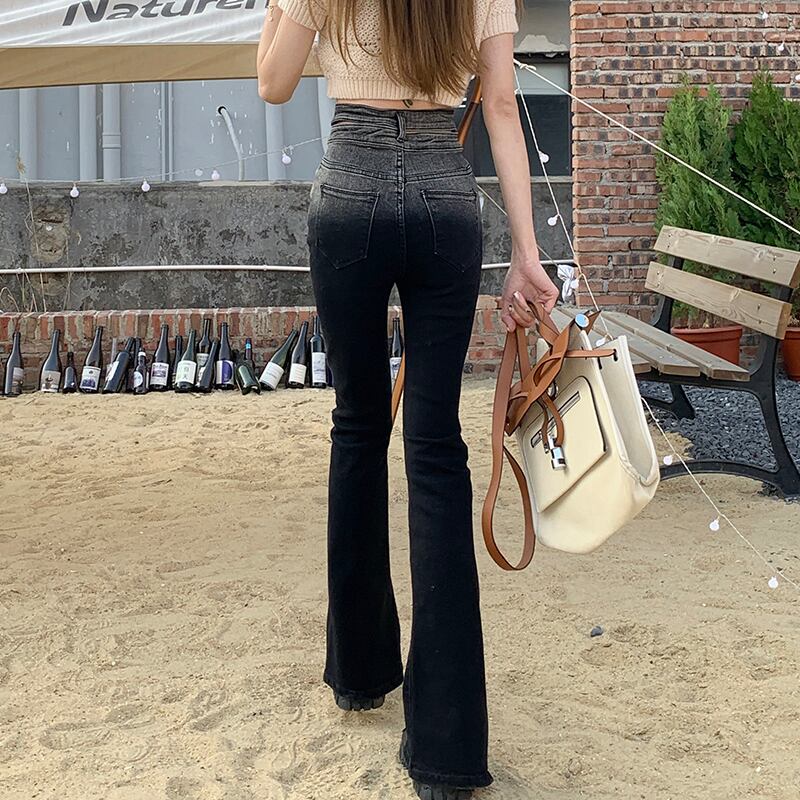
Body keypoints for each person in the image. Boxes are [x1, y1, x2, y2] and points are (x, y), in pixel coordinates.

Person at [257, 1, 558, 797]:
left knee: (358, 427)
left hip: (349, 193)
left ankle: (360, 672)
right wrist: (527, 253)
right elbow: (501, 106)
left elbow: (273, 83)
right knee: (434, 450)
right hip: (443, 200)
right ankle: (448, 752)